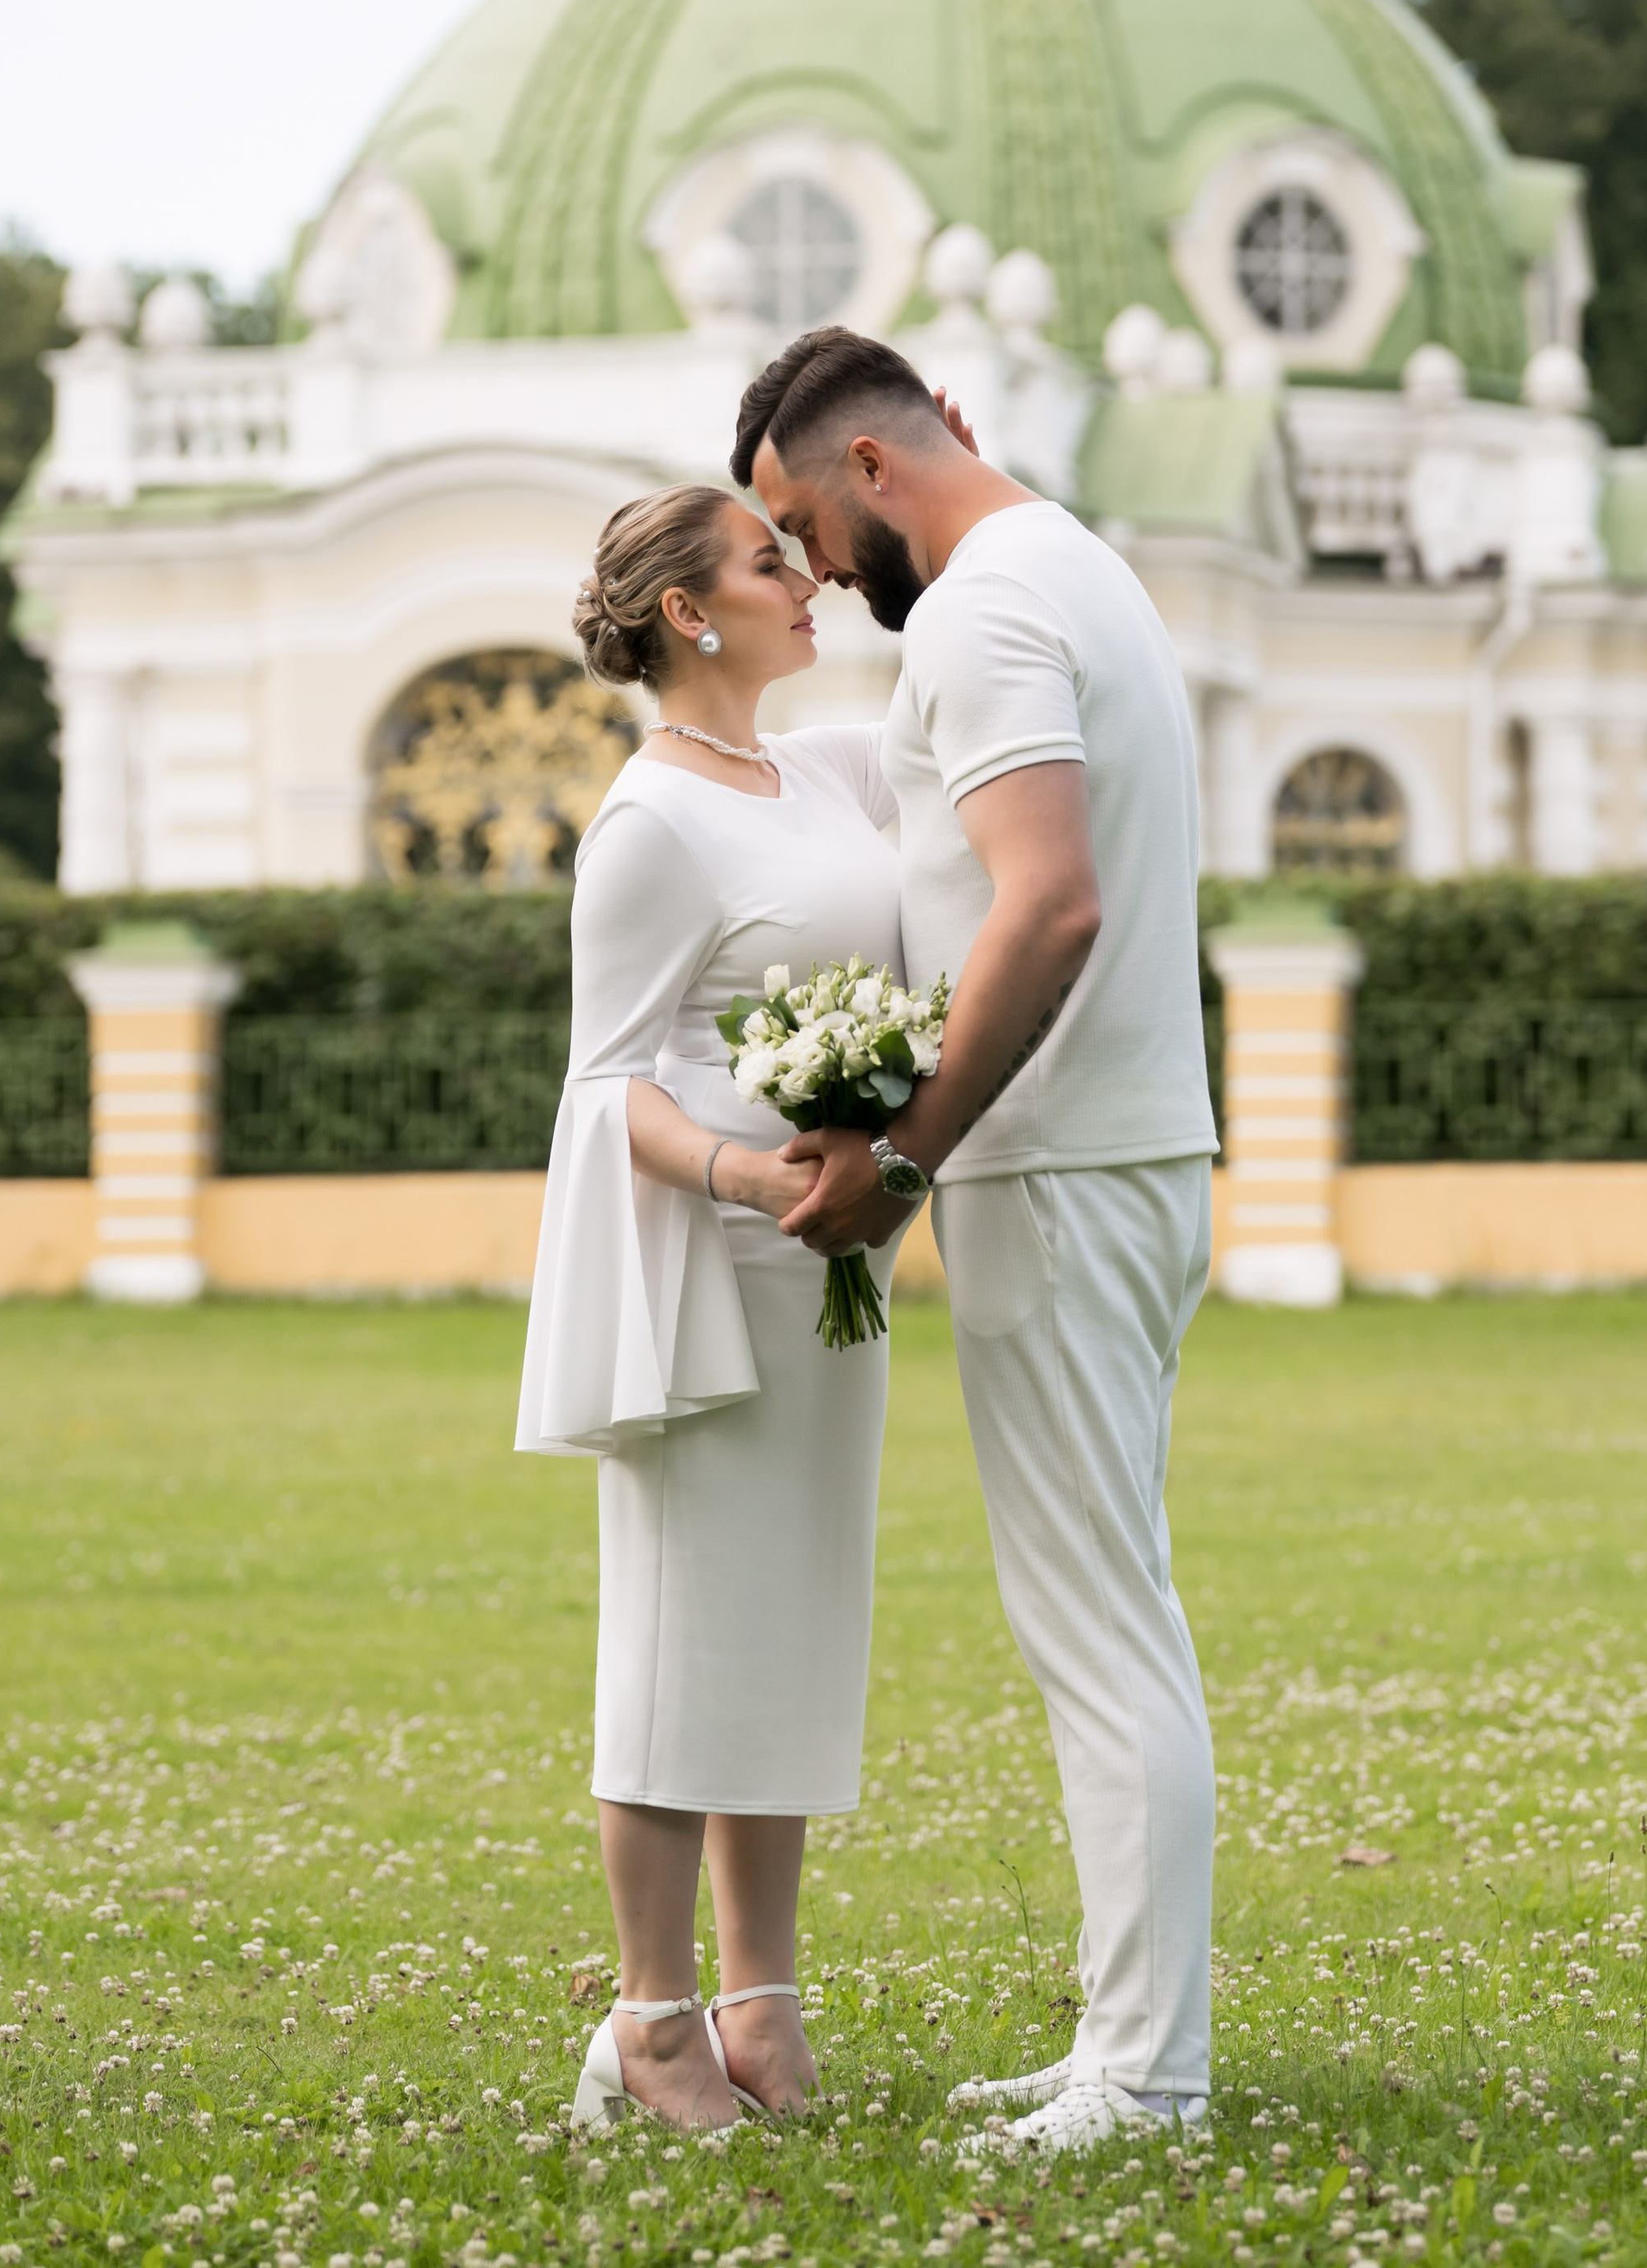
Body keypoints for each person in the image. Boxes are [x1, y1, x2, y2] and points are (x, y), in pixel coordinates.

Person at [733, 326, 1220, 2155]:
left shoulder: (984, 605)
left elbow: (1052, 901)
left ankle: (1147, 2077)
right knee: (1094, 1609)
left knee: (1099, 1623)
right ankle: (1122, 2036)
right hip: (1103, 1159)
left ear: (873, 463)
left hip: (1060, 1165)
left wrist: (909, 1154)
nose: (809, 574)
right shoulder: (1066, 565)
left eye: (800, 526)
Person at [513, 482, 909, 2131]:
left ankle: (762, 2001)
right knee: (681, 1643)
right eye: (770, 563)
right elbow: (609, 1088)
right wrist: (758, 1183)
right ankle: (653, 2022)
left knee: (788, 1633)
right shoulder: (649, 822)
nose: (806, 580)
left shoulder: (817, 766)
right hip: (712, 1263)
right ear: (689, 611)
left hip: (837, 1264)